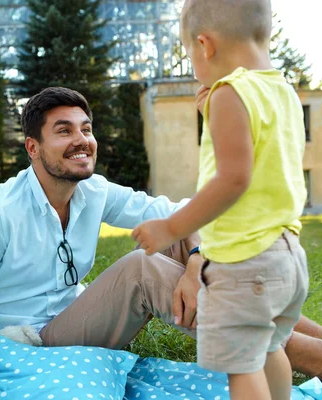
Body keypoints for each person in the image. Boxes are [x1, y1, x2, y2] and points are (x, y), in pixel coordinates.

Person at [0, 86, 322, 385]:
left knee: (179, 234)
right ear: (32, 147)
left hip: (82, 316)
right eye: (64, 131)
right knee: (141, 269)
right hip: (34, 343)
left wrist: (196, 257)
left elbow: (176, 215)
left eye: (86, 129)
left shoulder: (93, 190)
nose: (81, 140)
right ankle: (321, 361)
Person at [132, 0, 309, 398]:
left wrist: (171, 227)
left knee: (239, 367)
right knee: (268, 349)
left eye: (190, 54)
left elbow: (233, 179)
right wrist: (215, 110)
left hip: (245, 263)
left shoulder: (232, 94)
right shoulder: (281, 91)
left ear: (205, 45)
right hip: (286, 257)